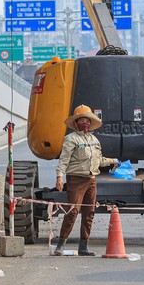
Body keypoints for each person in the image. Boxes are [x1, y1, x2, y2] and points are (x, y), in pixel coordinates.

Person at [53, 104, 119, 257]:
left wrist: (113, 161)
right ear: (76, 123)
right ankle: (60, 245)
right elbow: (64, 160)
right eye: (82, 120)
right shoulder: (71, 139)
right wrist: (59, 177)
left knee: (89, 213)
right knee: (72, 212)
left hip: (91, 180)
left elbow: (99, 160)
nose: (85, 123)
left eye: (88, 121)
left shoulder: (94, 140)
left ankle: (83, 247)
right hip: (76, 180)